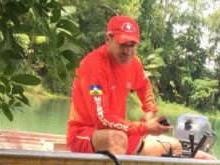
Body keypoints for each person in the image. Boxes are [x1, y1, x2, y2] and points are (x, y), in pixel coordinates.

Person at [66, 15, 182, 157]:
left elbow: (144, 86)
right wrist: (144, 128)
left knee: (174, 147)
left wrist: (150, 111)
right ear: (108, 39)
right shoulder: (93, 68)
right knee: (118, 140)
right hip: (85, 134)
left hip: (120, 133)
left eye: (132, 45)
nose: (127, 51)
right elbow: (102, 120)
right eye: (122, 44)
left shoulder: (134, 63)